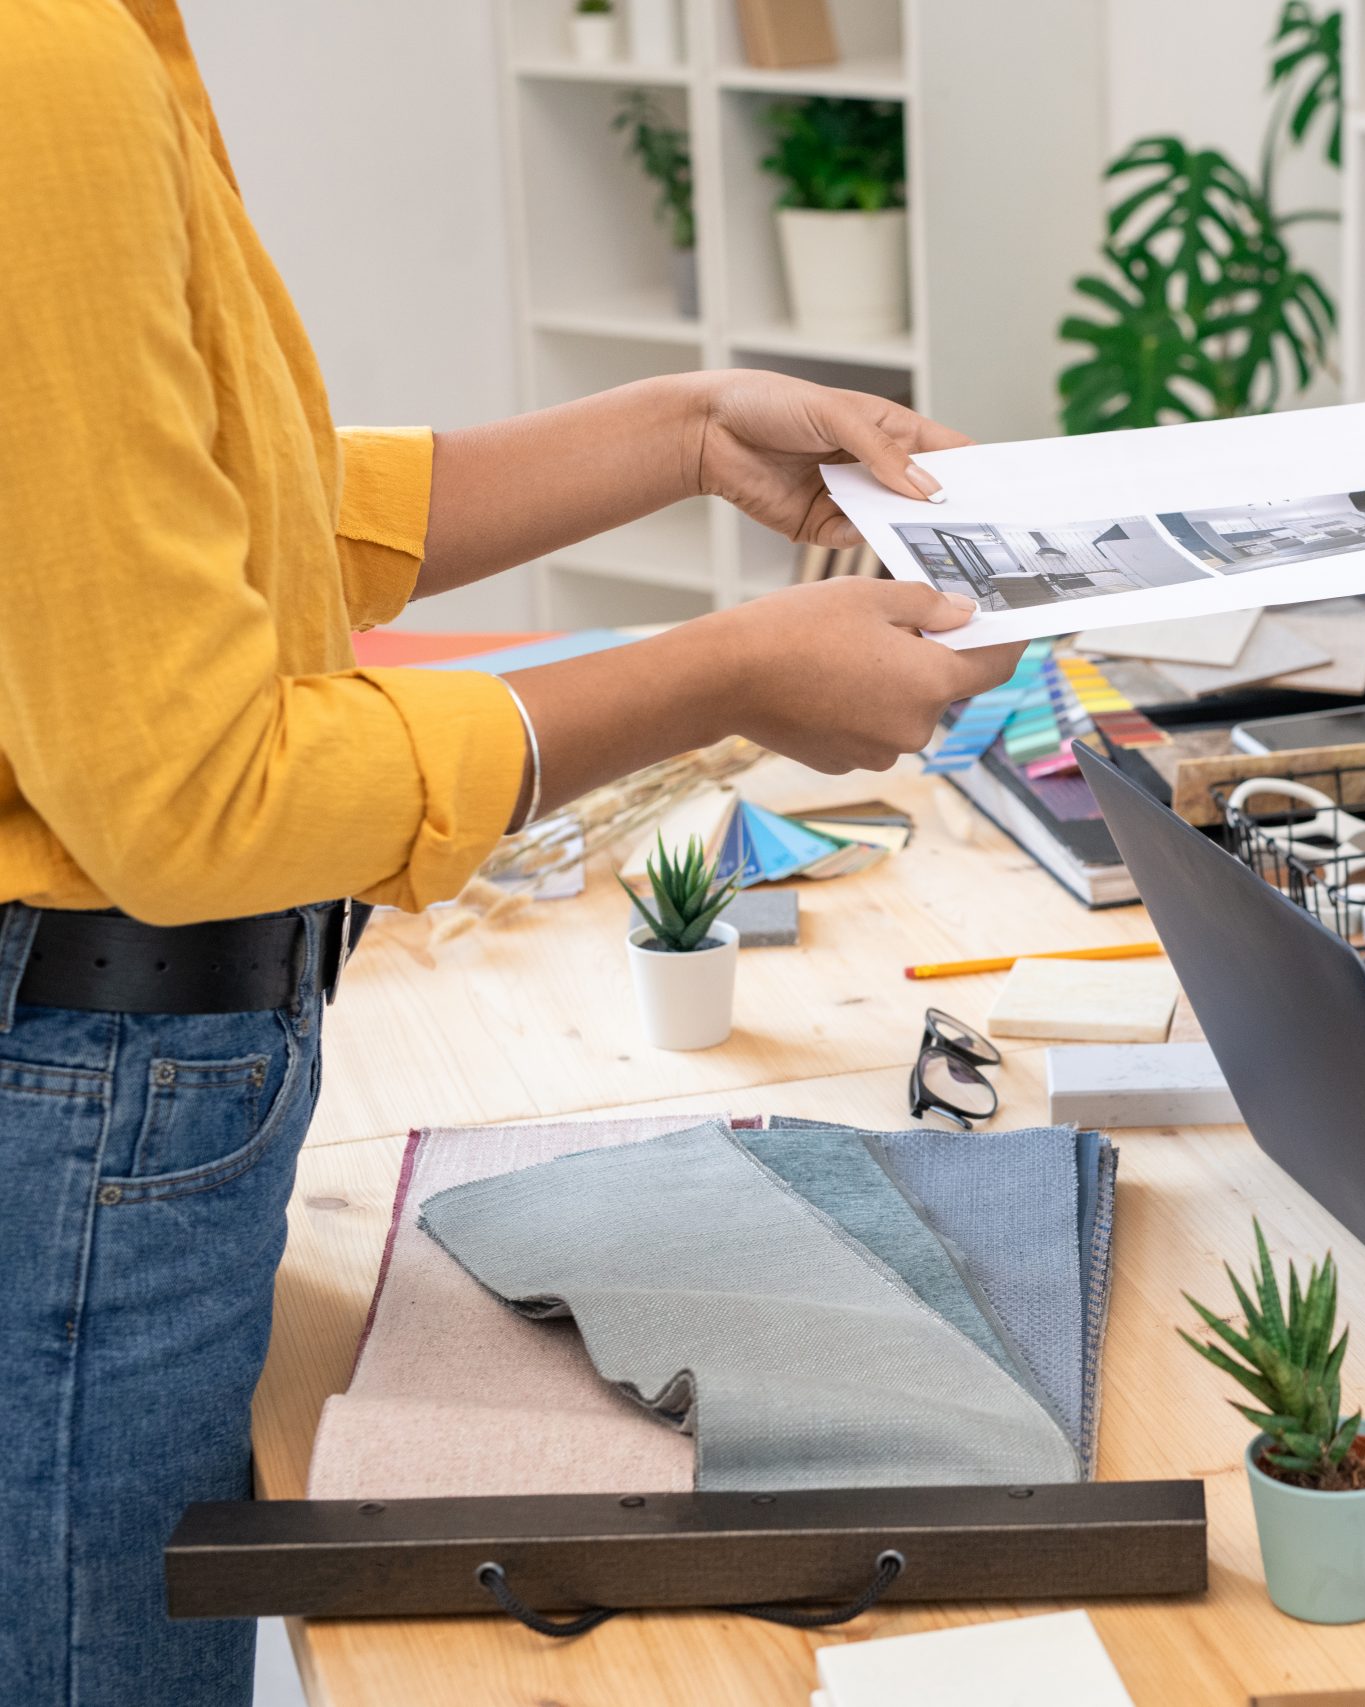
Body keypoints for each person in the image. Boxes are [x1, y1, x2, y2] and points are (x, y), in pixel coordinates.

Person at [0, 4, 1020, 1701]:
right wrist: (729, 674)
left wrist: (685, 433)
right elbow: (191, 797)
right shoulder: (43, 65)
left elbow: (197, 507)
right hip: (94, 1078)